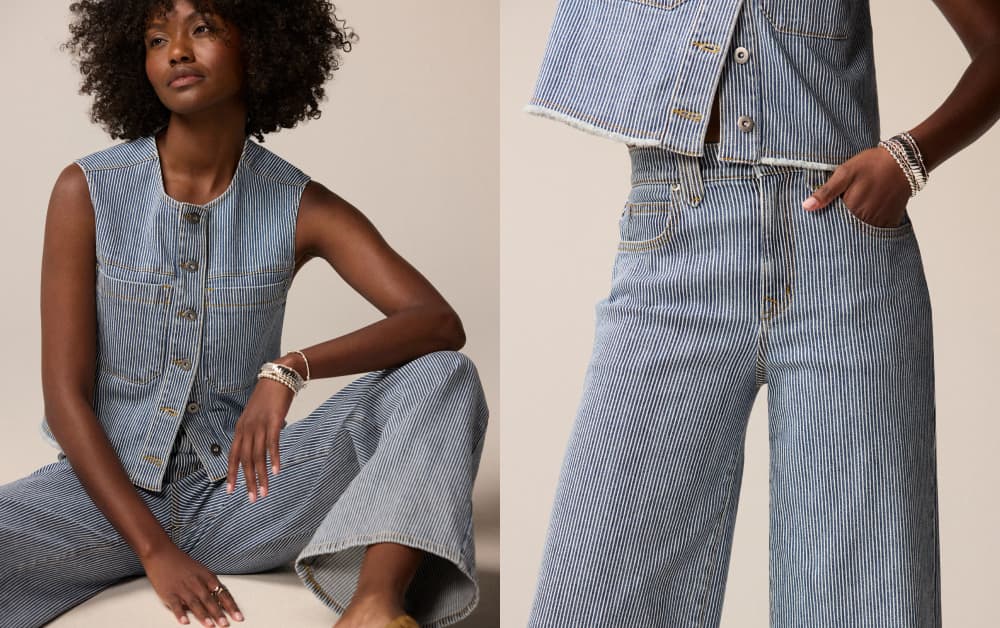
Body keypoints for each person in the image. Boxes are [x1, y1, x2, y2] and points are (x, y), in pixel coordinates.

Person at [0, 1, 489, 627]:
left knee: (446, 374)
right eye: (156, 38)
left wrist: (289, 369)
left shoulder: (301, 205)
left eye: (201, 28)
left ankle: (375, 605)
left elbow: (435, 321)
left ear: (259, 44)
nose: (176, 50)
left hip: (245, 496)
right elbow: (64, 399)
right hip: (95, 498)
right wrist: (155, 550)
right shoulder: (87, 191)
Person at [523, 0, 999, 625]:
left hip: (844, 245)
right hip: (675, 231)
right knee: (600, 577)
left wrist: (909, 159)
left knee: (864, 588)